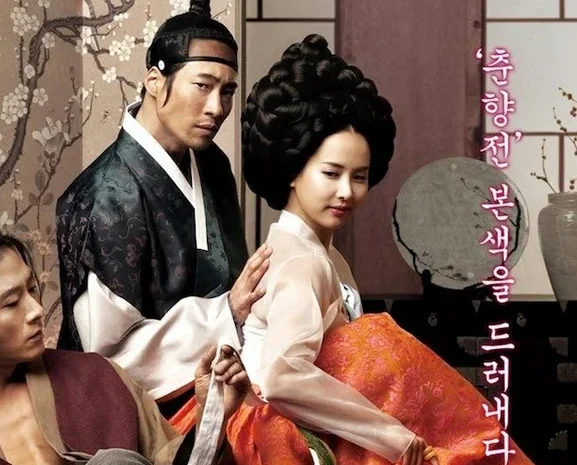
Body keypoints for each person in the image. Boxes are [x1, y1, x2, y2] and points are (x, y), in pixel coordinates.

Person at [170, 34, 536, 465]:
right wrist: (393, 437)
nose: (346, 192)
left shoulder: (317, 251)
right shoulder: (301, 261)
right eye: (331, 173)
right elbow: (284, 377)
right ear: (292, 171)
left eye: (359, 177)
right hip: (279, 432)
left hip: (306, 418)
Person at [55, 0, 271, 417]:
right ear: (155, 80)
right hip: (137, 413)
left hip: (228, 378)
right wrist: (225, 313)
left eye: (227, 91)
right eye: (203, 86)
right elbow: (110, 359)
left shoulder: (211, 163)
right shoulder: (105, 197)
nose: (217, 108)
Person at [0, 226, 250, 465]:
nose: (36, 310)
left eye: (32, 289)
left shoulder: (99, 378)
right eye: (12, 302)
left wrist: (212, 417)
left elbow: (168, 459)